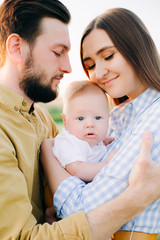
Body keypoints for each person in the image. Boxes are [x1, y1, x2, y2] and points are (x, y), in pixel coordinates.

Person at [0, 0, 160, 239]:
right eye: (57, 52)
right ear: (16, 48)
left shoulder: (44, 120)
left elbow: (70, 188)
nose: (68, 67)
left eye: (108, 56)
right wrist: (136, 198)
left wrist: (51, 211)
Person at [52, 80, 114, 182]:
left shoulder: (89, 140)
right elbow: (78, 170)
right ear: (65, 121)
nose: (90, 124)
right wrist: (107, 164)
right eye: (80, 118)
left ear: (108, 119)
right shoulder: (69, 142)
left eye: (98, 118)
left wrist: (101, 141)